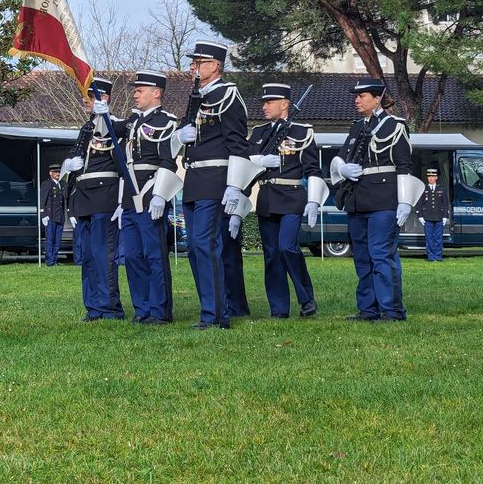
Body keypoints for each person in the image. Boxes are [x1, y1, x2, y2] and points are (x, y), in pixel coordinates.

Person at [330, 78, 421, 322]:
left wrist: (404, 201)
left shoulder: (395, 126)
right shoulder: (356, 128)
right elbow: (339, 157)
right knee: (362, 257)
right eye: (356, 96)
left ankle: (391, 310)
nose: (356, 100)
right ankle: (368, 309)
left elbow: (404, 165)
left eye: (362, 96)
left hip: (384, 200)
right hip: (358, 200)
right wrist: (342, 168)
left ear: (377, 98)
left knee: (381, 255)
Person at [175, 42, 252, 329]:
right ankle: (211, 310)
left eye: (199, 62)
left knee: (205, 245)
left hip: (216, 179)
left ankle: (216, 315)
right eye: (193, 62)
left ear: (215, 65)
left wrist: (235, 186)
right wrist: (180, 137)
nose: (193, 66)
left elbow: (237, 144)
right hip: (194, 180)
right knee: (195, 248)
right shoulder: (197, 97)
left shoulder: (227, 95)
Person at [244, 83, 328, 318]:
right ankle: (278, 308)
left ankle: (306, 298)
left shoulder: (302, 132)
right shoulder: (259, 132)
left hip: (291, 197)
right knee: (271, 255)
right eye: (264, 102)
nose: (264, 106)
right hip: (267, 197)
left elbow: (313, 169)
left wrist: (314, 200)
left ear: (284, 104)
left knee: (287, 246)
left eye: (269, 102)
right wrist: (260, 161)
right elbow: (244, 160)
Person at [113, 70, 180, 325]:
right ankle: (142, 309)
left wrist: (160, 195)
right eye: (135, 89)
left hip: (151, 193)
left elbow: (167, 161)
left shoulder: (166, 122)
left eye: (141, 89)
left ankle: (159, 310)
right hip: (130, 197)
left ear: (156, 92)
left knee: (154, 255)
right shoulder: (132, 121)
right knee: (132, 255)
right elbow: (109, 131)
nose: (135, 93)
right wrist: (101, 112)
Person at [62, 76, 124, 321]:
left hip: (104, 196)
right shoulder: (86, 127)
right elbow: (77, 154)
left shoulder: (115, 124)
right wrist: (68, 164)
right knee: (87, 256)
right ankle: (94, 308)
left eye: (88, 96)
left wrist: (104, 117)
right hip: (83, 198)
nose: (83, 100)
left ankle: (110, 308)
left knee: (103, 254)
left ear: (103, 98)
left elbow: (122, 146)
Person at [417, 168, 448, 261]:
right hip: (427, 217)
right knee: (429, 238)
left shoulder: (442, 189)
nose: (430, 178)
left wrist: (445, 216)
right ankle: (431, 257)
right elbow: (419, 203)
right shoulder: (423, 189)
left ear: (436, 177)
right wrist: (420, 215)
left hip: (439, 217)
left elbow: (445, 204)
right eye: (429, 176)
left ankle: (438, 257)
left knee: (438, 238)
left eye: (432, 176)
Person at [39, 163, 66, 266]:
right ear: (50, 173)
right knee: (50, 240)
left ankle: (54, 259)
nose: (58, 174)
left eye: (59, 172)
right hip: (50, 216)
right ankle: (49, 261)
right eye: (55, 172)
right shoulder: (47, 184)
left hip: (59, 216)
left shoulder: (61, 184)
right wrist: (43, 214)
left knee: (57, 240)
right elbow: (42, 200)